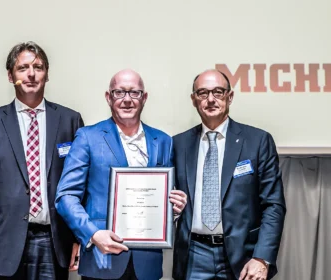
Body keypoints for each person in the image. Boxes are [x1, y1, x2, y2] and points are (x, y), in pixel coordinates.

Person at [0, 41, 84, 280]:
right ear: (10, 76)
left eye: (38, 67)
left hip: (55, 242)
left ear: (46, 75)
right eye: (23, 68)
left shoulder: (70, 121)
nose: (30, 74)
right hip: (1, 245)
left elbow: (81, 186)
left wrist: (79, 238)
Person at [55, 69, 187, 280]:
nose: (127, 100)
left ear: (144, 98)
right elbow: (65, 197)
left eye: (134, 93)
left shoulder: (163, 141)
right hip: (101, 259)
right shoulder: (88, 137)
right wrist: (93, 234)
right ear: (109, 97)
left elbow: (164, 200)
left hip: (147, 264)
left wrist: (175, 208)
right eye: (119, 93)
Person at [172, 69, 286, 280]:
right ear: (193, 100)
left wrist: (262, 258)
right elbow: (171, 201)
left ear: (230, 96)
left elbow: (273, 205)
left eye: (218, 92)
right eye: (203, 93)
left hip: (244, 257)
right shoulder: (178, 144)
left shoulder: (257, 141)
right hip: (193, 255)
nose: (211, 99)